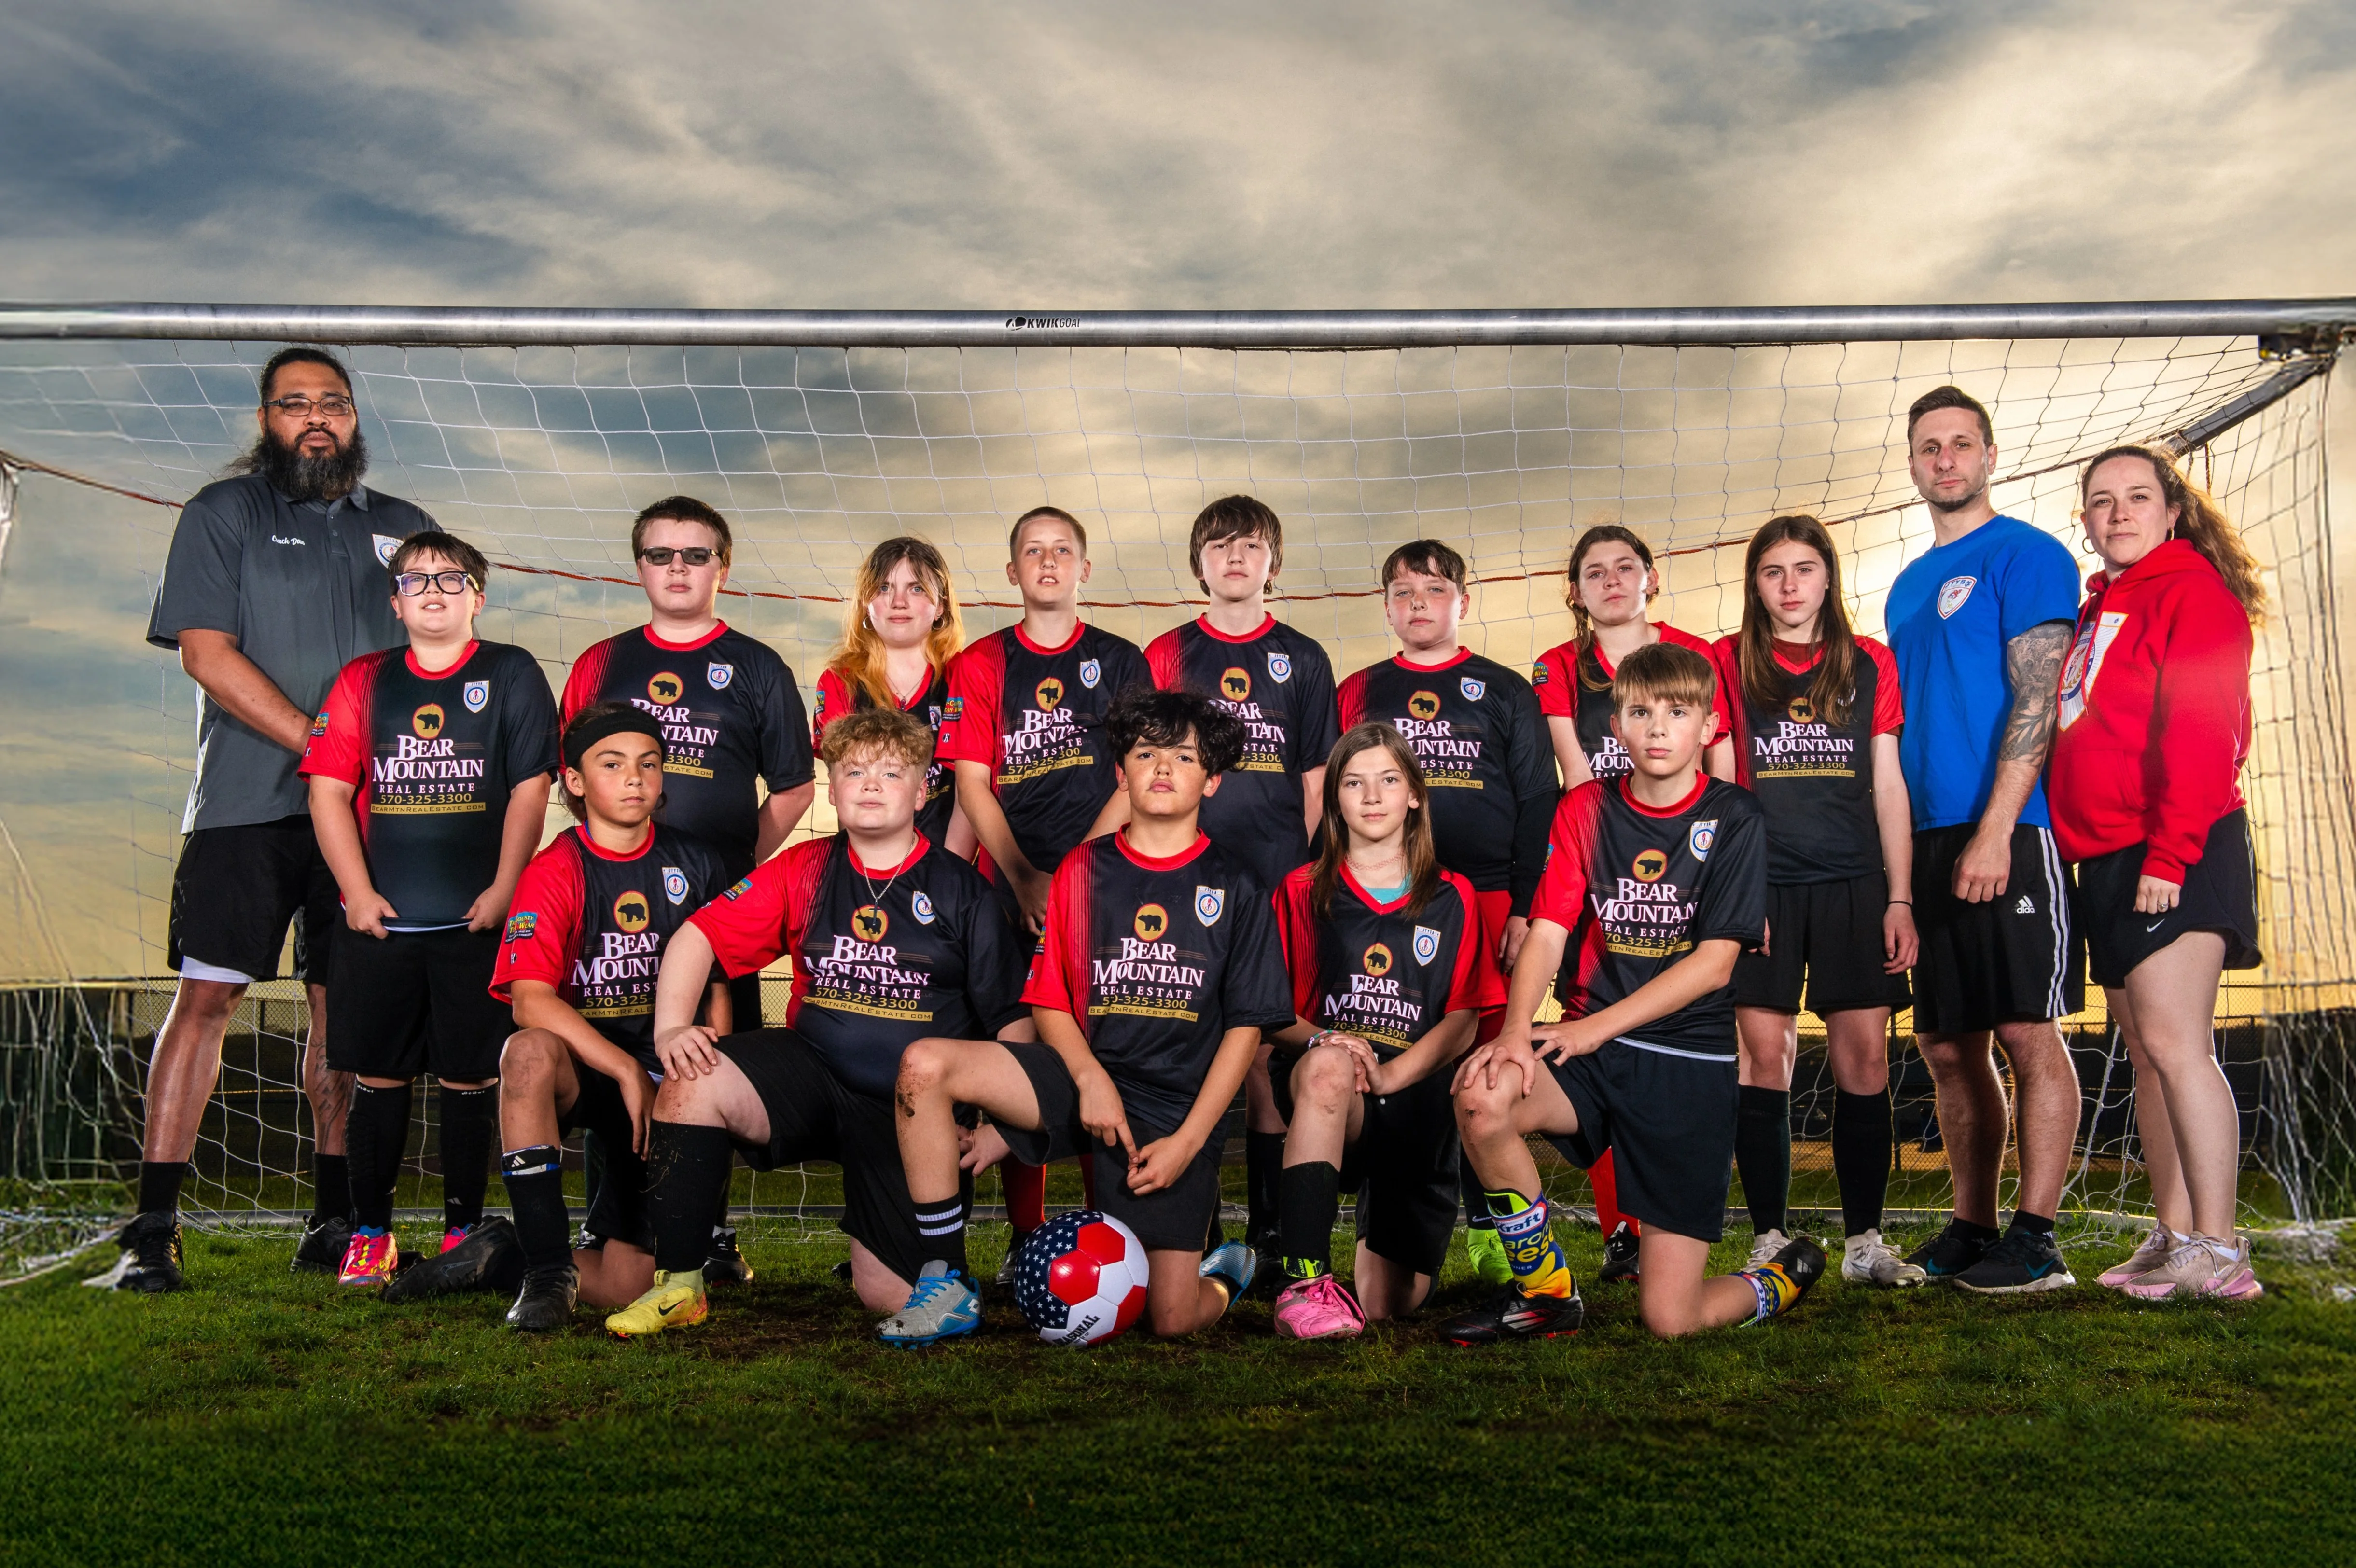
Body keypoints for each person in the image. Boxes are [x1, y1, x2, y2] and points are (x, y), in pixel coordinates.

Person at [92, 347, 433, 1293]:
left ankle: (332, 1221)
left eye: (333, 402)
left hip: (369, 816)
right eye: (294, 404)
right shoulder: (222, 513)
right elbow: (206, 652)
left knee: (342, 1010)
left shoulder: (405, 530)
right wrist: (322, 740)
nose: (316, 418)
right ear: (265, 417)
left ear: (356, 419)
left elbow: (440, 655)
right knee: (209, 997)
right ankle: (152, 1229)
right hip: (247, 805)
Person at [601, 707, 1033, 1340]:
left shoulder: (964, 893)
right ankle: (680, 1284)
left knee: (886, 1295)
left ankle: (928, 1269)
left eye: (891, 772)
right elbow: (697, 935)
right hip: (812, 1072)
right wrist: (669, 1028)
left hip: (912, 1114)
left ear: (920, 790)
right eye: (854, 770)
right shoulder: (805, 868)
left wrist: (1002, 1128)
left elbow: (1013, 1024)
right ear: (832, 789)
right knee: (693, 1078)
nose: (870, 784)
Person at [1442, 642, 1823, 1344]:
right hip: (1588, 1049)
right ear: (1616, 727)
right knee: (1484, 1094)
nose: (1656, 727)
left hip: (1686, 1065)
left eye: (1676, 712)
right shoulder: (1584, 806)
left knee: (1670, 1319)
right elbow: (1549, 931)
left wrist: (1590, 1030)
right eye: (1640, 712)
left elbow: (1714, 965)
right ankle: (1548, 1294)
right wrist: (1514, 1030)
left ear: (1707, 728)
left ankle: (1774, 1278)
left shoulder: (1735, 816)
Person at [889, 689, 1296, 1340]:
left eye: (1184, 756)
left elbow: (1246, 1029)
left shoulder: (1238, 884)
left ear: (1212, 779)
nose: (1162, 768)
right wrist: (1087, 1077)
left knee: (1169, 1320)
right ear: (1121, 772)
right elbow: (1049, 998)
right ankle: (948, 1278)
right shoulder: (1083, 869)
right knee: (924, 1065)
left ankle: (1223, 1272)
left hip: (1170, 1108)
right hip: (1081, 1075)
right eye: (1146, 752)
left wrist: (1189, 1143)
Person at [378, 702, 735, 1324]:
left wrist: (702, 1087)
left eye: (649, 765)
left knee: (627, 1287)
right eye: (613, 764)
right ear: (574, 781)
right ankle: (545, 1273)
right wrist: (625, 1070)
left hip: (669, 1084)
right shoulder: (554, 870)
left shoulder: (698, 864)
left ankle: (501, 1253)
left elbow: (720, 987)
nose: (634, 778)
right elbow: (529, 1000)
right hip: (593, 1072)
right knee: (526, 1053)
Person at [560, 494, 815, 1283]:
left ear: (722, 568)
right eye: (662, 554)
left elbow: (796, 789)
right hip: (621, 914)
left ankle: (712, 1231)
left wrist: (737, 874)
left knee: (715, 1065)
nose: (678, 568)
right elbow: (573, 778)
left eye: (695, 554)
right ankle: (613, 1224)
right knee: (623, 1064)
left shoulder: (758, 665)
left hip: (721, 922)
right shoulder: (601, 663)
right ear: (639, 567)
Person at [297, 531, 558, 1287]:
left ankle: (459, 1234)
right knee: (377, 1079)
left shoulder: (509, 672)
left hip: (476, 920)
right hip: (385, 921)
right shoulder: (364, 680)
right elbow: (328, 791)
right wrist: (356, 891)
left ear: (479, 595)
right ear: (395, 601)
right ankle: (371, 1235)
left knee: (471, 1079)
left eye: (452, 578)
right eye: (416, 581)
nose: (434, 591)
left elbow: (528, 788)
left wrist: (507, 887)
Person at [2050, 446, 2267, 1301]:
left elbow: (2207, 731)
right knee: (2145, 1051)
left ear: (2172, 510)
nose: (2118, 513)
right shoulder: (2101, 605)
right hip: (2109, 854)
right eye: (2101, 501)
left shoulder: (2192, 595)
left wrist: (2171, 853)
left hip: (2176, 847)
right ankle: (2175, 1233)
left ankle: (2220, 1248)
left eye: (2137, 496)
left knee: (2179, 1045)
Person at [1884, 385, 2086, 1293]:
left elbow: (2037, 698)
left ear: (1991, 455)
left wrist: (1998, 827)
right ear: (1916, 462)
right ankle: (1972, 1225)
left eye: (1962, 443)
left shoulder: (2029, 553)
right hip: (1924, 837)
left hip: (2006, 829)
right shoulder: (1906, 585)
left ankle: (2036, 1235)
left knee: (2024, 1030)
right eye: (1930, 446)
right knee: (1946, 1042)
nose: (1946, 459)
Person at [1707, 515, 1922, 1286]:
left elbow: (1889, 785)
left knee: (1863, 1057)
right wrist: (1735, 892)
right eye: (1773, 571)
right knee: (1766, 1058)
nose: (1790, 584)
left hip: (1854, 883)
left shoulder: (1869, 663)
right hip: (1763, 885)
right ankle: (1768, 1234)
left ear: (1829, 577)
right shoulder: (1726, 663)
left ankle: (1865, 1241)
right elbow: (1725, 786)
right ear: (1755, 584)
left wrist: (1899, 897)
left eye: (1805, 568)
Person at [935, 505, 1150, 1260]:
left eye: (1063, 550)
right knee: (1016, 1048)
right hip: (1006, 890)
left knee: (1101, 1046)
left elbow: (1134, 778)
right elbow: (972, 784)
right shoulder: (981, 664)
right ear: (1013, 572)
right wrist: (1025, 878)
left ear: (1085, 569)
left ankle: (1111, 1232)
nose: (1049, 562)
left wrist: (1070, 878)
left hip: (1104, 886)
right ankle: (1025, 1237)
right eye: (1034, 551)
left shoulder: (1124, 659)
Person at [1337, 539, 1553, 1286]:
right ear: (1386, 606)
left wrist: (1525, 905)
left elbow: (1536, 801)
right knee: (1395, 1056)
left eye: (1433, 589)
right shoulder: (1359, 690)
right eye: (1402, 591)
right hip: (1385, 902)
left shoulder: (1502, 688)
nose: (1418, 603)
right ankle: (1388, 1224)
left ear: (1464, 599)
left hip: (1488, 899)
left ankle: (1495, 1232)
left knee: (1482, 1072)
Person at [1144, 495, 1341, 1280]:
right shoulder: (1165, 653)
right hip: (1184, 877)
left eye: (1250, 545)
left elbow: (1317, 776)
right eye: (1219, 545)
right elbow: (1147, 765)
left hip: (1274, 879)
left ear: (1273, 562)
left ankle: (1266, 1232)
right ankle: (1192, 1222)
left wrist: (1299, 869)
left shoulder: (1304, 656)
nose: (1235, 556)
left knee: (1263, 1048)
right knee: (1183, 1044)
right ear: (1198, 563)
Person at [1528, 523, 1721, 1281]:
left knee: (1673, 1039)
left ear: (1651, 579)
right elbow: (1578, 775)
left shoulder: (1692, 656)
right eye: (1593, 571)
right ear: (1574, 590)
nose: (1611, 580)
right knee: (1593, 1032)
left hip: (1687, 866)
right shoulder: (1556, 667)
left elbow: (1718, 760)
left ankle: (1668, 1215)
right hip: (1601, 865)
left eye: (1626, 567)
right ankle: (1623, 1233)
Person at [1266, 724, 1501, 1338]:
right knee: (1326, 1067)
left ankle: (1384, 1226)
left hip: (1416, 1099)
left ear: (1415, 795)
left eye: (1389, 780)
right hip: (1333, 1093)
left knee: (1386, 1305)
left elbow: (1465, 1017)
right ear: (1336, 799)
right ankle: (1305, 1282)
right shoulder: (1299, 891)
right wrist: (1327, 1041)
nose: (1372, 797)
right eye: (1354, 782)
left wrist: (1391, 1072)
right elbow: (1270, 1012)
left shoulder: (1453, 896)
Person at [812, 536, 975, 855]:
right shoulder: (838, 682)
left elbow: (970, 795)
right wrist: (870, 870)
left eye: (916, 589)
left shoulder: (968, 677)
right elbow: (849, 796)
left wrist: (950, 876)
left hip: (952, 861)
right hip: (868, 864)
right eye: (884, 588)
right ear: (865, 603)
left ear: (941, 604)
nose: (898, 601)